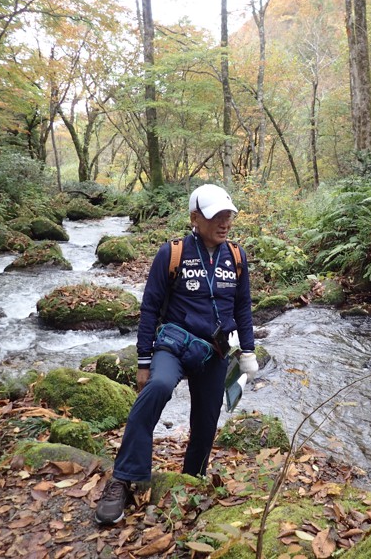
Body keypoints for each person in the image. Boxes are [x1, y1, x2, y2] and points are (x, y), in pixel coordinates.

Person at [95, 183, 258, 526]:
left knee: (207, 420)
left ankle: (191, 480)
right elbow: (150, 308)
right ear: (195, 218)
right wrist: (143, 361)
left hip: (214, 352)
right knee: (158, 387)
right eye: (217, 216)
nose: (225, 222)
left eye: (229, 214)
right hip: (174, 345)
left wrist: (248, 351)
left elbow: (243, 308)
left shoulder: (237, 257)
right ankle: (123, 478)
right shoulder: (172, 254)